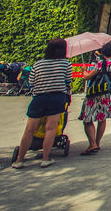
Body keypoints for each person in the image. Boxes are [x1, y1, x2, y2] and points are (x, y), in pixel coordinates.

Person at [12, 39, 72, 169]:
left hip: (39, 97)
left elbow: (31, 82)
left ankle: (19, 160)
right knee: (50, 128)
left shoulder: (38, 64)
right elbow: (68, 81)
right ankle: (45, 159)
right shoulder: (66, 63)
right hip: (57, 97)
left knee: (29, 129)